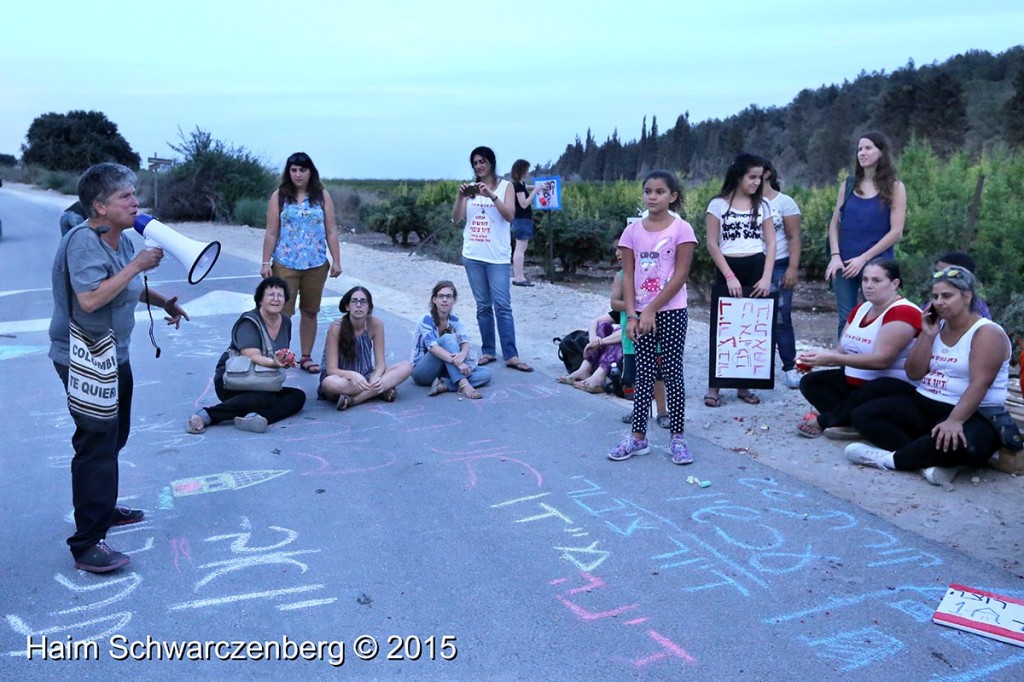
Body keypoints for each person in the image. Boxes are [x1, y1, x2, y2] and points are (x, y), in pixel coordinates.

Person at [49, 162, 190, 573]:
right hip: (83, 357)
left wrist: (163, 301)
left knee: (115, 436)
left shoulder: (123, 240)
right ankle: (87, 542)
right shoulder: (82, 242)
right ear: (99, 206)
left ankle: (102, 505)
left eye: (134, 193)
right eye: (124, 196)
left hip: (115, 354)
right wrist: (137, 266)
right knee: (97, 444)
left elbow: (128, 285)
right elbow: (90, 299)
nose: (135, 201)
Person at [847, 266, 1012, 487]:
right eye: (935, 296)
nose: (939, 302)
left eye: (947, 296)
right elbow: (913, 372)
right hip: (927, 403)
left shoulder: (987, 333)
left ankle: (890, 459)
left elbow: (980, 383)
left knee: (966, 443)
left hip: (971, 413)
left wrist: (955, 420)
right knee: (864, 416)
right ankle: (925, 462)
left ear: (967, 296)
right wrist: (927, 335)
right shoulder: (937, 326)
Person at [609, 170, 697, 464]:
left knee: (672, 373)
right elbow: (629, 275)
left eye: (660, 191)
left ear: (672, 196)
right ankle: (638, 438)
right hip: (640, 316)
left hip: (670, 312)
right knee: (643, 375)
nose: (652, 196)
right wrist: (633, 315)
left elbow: (681, 275)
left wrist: (651, 309)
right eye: (648, 191)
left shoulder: (682, 229)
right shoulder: (632, 232)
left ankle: (677, 438)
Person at [795, 258, 921, 439]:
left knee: (871, 389)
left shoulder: (903, 312)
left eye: (876, 280)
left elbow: (881, 360)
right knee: (811, 382)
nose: (868, 285)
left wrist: (833, 359)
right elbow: (841, 351)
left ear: (895, 284)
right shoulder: (861, 309)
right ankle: (848, 420)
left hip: (891, 386)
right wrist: (812, 358)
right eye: (865, 280)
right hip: (857, 382)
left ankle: (827, 420)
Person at [187, 277, 306, 435]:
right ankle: (207, 415)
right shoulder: (249, 321)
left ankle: (258, 418)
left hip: (264, 380)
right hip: (234, 380)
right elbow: (252, 355)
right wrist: (276, 362)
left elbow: (279, 353)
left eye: (280, 295)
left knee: (297, 396)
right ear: (260, 299)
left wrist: (285, 358)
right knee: (266, 398)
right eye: (271, 295)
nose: (276, 299)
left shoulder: (285, 322)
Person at [704, 153, 776, 407]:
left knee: (750, 328)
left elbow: (771, 242)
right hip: (728, 265)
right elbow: (712, 243)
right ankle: (715, 385)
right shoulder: (718, 205)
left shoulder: (763, 206)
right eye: (752, 177)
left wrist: (767, 276)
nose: (757, 182)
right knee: (723, 327)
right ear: (739, 175)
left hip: (756, 264)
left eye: (760, 177)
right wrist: (729, 276)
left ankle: (743, 385)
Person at [451, 146, 532, 372]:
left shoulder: (506, 186)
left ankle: (511, 354)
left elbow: (509, 215)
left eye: (482, 162)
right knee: (483, 306)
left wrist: (491, 196)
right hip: (473, 255)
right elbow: (457, 218)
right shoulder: (470, 190)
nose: (479, 166)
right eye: (475, 163)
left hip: (496, 256)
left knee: (503, 306)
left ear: (491, 163)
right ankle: (488, 350)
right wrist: (460, 196)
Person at [261, 152, 342, 375]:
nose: (298, 174)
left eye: (302, 170)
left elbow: (331, 230)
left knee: (310, 311)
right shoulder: (279, 196)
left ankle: (306, 357)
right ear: (289, 172)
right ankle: (280, 356)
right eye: (294, 170)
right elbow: (271, 232)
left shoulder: (321, 196)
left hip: (315, 263)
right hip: (285, 262)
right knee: (281, 311)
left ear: (310, 172)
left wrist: (336, 260)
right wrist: (265, 262)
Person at [824, 132, 906, 338]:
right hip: (844, 262)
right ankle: (844, 366)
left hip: (878, 263)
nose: (862, 153)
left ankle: (876, 363)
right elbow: (834, 224)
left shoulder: (895, 187)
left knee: (879, 315)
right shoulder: (849, 185)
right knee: (846, 317)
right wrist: (835, 257)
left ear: (881, 153)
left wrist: (863, 259)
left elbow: (896, 232)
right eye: (859, 149)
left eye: (868, 148)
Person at [318, 286, 413, 410]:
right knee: (329, 383)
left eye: (363, 302)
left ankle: (354, 399)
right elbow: (331, 369)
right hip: (344, 379)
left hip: (367, 376)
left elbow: (380, 364)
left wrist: (376, 377)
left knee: (406, 366)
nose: (358, 305)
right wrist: (352, 375)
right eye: (354, 301)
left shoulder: (376, 324)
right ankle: (377, 391)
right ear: (347, 306)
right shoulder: (336, 328)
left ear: (369, 307)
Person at [610, 236, 669, 427]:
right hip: (631, 337)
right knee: (634, 375)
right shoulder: (620, 277)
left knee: (658, 374)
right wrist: (634, 306)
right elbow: (614, 302)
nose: (618, 253)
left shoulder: (650, 275)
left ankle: (662, 412)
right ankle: (639, 410)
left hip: (653, 330)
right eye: (616, 249)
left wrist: (646, 307)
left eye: (621, 248)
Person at [411, 281, 492, 399]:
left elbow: (465, 342)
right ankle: (463, 385)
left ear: (454, 300)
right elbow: (433, 348)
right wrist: (458, 363)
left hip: (445, 368)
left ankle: (444, 384)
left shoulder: (455, 321)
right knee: (447, 338)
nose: (444, 300)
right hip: (423, 370)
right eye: (440, 296)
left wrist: (462, 355)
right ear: (434, 300)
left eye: (448, 296)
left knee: (486, 373)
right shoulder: (426, 319)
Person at [762, 159, 803, 389]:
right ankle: (751, 372)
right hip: (752, 263)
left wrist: (793, 268)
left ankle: (790, 368)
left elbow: (794, 237)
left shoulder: (784, 202)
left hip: (779, 264)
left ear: (767, 173)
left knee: (781, 319)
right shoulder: (743, 202)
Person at [556, 311, 623, 393]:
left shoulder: (640, 311)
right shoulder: (627, 307)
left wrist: (600, 342)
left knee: (621, 338)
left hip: (631, 359)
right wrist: (593, 337)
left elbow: (626, 333)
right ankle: (584, 369)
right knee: (602, 325)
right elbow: (595, 321)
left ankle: (599, 377)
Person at [934, 252, 991, 319]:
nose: (939, 277)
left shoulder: (978, 312)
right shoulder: (934, 303)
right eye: (936, 272)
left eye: (947, 273)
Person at [510, 159, 538, 287]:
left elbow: (525, 187)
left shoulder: (518, 184)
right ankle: (519, 277)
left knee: (520, 248)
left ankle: (518, 276)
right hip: (522, 219)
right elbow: (524, 203)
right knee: (520, 248)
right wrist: (535, 191)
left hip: (520, 219)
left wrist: (536, 187)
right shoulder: (518, 185)